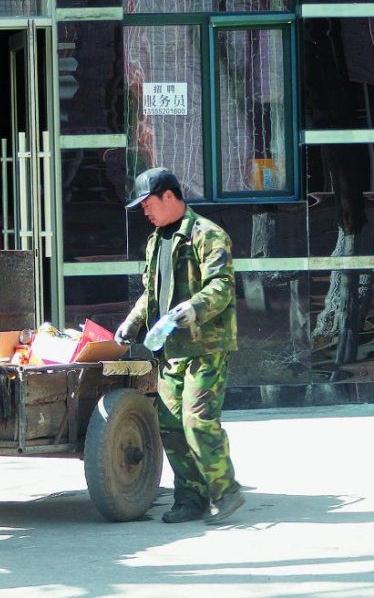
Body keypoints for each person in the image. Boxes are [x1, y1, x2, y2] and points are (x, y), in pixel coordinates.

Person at [115, 167, 244, 524]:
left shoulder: (207, 234)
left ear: (169, 196)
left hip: (206, 346)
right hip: (171, 350)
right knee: (169, 426)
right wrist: (133, 320)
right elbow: (151, 292)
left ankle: (225, 491)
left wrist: (194, 308)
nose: (145, 211)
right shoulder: (157, 240)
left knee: (198, 420)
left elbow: (222, 285)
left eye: (148, 203)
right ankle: (190, 498)